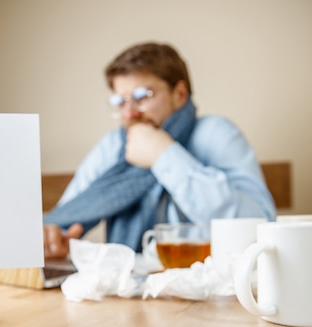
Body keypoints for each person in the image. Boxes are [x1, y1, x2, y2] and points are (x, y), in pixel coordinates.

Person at [43, 42, 275, 259]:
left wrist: (163, 154)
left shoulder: (215, 133)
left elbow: (259, 225)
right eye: (121, 102)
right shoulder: (113, 146)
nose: (129, 113)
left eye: (142, 97)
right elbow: (66, 217)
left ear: (180, 94)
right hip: (127, 289)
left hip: (208, 289)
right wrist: (52, 239)